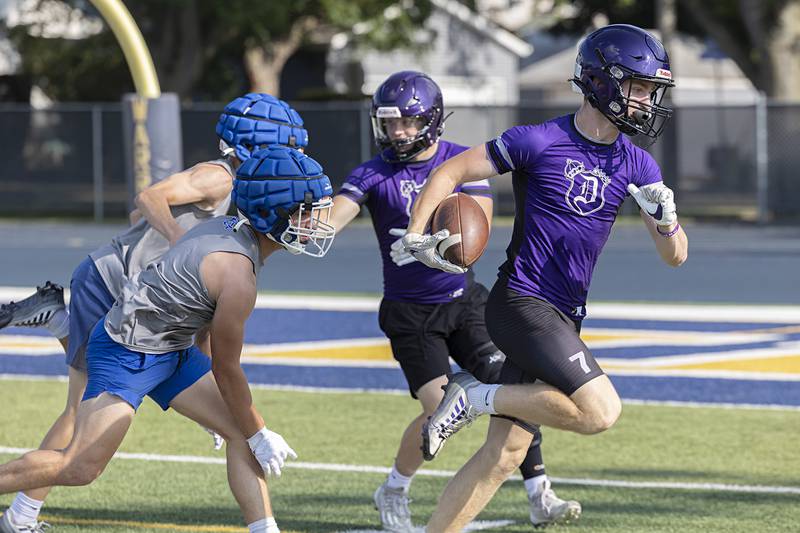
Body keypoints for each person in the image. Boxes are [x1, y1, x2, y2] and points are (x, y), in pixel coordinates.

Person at [400, 25, 688, 531]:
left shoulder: (637, 162)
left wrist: (667, 222)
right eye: (639, 87)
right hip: (522, 302)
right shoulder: (538, 140)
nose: (646, 101)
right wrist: (417, 233)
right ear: (600, 82)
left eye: (651, 91)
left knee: (505, 454)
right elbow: (449, 172)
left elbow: (675, 258)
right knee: (600, 411)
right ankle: (474, 396)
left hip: (564, 316)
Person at [0, 92, 308, 533]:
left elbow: (204, 314)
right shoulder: (220, 179)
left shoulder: (245, 210)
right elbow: (147, 198)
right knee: (79, 428)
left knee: (239, 427)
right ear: (256, 146)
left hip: (156, 317)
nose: (293, 159)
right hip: (116, 290)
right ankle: (21, 515)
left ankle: (59, 323)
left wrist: (207, 385)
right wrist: (177, 242)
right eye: (286, 148)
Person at [328, 71, 580, 531]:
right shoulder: (373, 172)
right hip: (409, 313)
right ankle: (394, 487)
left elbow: (478, 219)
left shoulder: (459, 160)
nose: (398, 132)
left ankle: (539, 492)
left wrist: (438, 237)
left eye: (408, 121)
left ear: (432, 120)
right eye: (391, 123)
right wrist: (307, 218)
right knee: (436, 409)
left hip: (464, 302)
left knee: (513, 391)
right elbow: (333, 220)